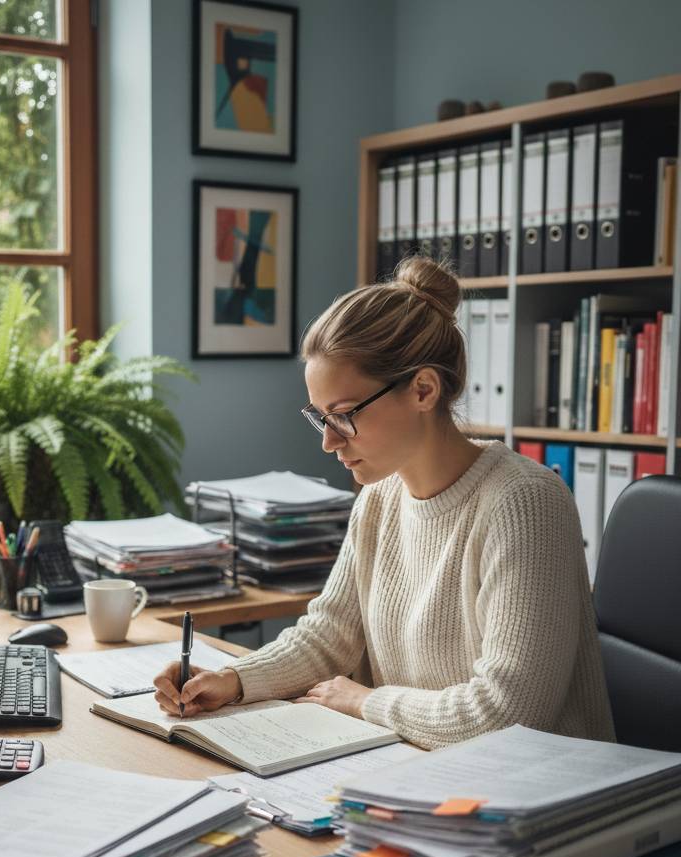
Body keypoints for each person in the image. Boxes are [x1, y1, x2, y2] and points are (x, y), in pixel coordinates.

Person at [153, 256, 615, 750]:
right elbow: (330, 635)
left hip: (543, 794)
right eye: (320, 417)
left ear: (423, 389)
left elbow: (507, 712)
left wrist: (363, 702)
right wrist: (232, 680)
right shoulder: (379, 498)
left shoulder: (525, 504)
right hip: (424, 770)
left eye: (345, 415)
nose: (329, 442)